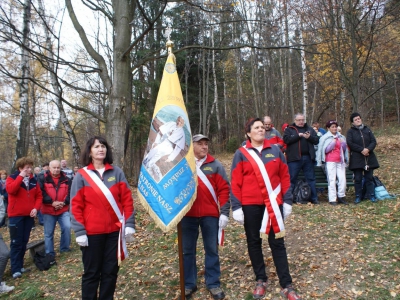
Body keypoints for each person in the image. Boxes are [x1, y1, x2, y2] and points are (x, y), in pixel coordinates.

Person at [231, 118, 301, 300]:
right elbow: (236, 182)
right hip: (250, 205)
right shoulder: (241, 154)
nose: (261, 130)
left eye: (262, 127)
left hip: (273, 205)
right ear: (248, 133)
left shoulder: (276, 151)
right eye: (257, 127)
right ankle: (260, 279)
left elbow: (285, 177)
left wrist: (287, 201)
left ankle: (286, 284)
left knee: (277, 243)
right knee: (254, 242)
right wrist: (237, 206)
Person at [71, 136, 135, 300]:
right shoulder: (81, 176)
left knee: (110, 271)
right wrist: (79, 231)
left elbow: (127, 200)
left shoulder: (117, 172)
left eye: (103, 146)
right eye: (96, 146)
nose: (101, 149)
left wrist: (129, 223)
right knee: (92, 273)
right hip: (91, 234)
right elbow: (75, 205)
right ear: (90, 151)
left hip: (114, 232)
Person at [181, 134, 230, 300]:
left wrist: (224, 212)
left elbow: (224, 189)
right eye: (200, 144)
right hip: (187, 215)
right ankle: (188, 283)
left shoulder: (215, 165)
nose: (204, 147)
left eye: (206, 144)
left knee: (211, 249)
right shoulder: (183, 165)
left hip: (210, 215)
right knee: (187, 251)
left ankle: (213, 283)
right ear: (192, 146)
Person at [6, 157, 42, 279]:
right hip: (15, 216)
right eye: (27, 167)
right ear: (20, 168)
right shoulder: (12, 178)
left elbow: (39, 196)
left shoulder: (33, 180)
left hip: (29, 216)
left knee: (24, 241)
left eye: (30, 167)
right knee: (16, 242)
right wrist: (20, 176)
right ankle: (15, 269)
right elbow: (11, 190)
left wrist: (36, 208)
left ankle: (20, 266)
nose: (29, 170)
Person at [283, 113, 320, 204]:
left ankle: (314, 198)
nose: (301, 122)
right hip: (294, 159)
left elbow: (316, 140)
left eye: (302, 120)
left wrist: (309, 137)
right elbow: (286, 140)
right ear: (295, 121)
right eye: (299, 120)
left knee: (311, 179)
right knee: (291, 179)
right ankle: (289, 199)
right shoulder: (289, 129)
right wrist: (297, 136)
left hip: (308, 158)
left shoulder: (309, 129)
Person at [39, 160, 72, 257]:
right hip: (48, 210)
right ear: (49, 168)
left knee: (67, 227)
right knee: (48, 233)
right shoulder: (42, 178)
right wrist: (52, 203)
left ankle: (65, 248)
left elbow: (70, 193)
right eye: (54, 167)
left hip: (63, 209)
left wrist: (64, 202)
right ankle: (49, 252)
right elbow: (41, 192)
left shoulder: (66, 179)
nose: (57, 169)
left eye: (58, 167)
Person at [346, 113, 379, 204]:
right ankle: (358, 196)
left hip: (369, 157)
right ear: (353, 122)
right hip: (357, 158)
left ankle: (371, 195)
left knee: (369, 178)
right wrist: (361, 150)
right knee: (358, 179)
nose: (358, 120)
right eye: (356, 119)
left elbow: (373, 141)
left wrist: (368, 149)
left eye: (359, 118)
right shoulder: (350, 132)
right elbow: (350, 143)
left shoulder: (367, 129)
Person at [316, 121, 349, 205]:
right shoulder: (325, 137)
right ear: (328, 128)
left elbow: (345, 150)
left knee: (342, 179)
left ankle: (341, 196)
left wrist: (343, 143)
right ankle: (332, 198)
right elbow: (323, 150)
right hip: (330, 161)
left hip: (340, 161)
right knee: (332, 180)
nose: (334, 128)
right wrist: (332, 143)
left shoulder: (341, 137)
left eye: (335, 127)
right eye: (332, 127)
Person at [143, 116, 186, 181]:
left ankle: (148, 166)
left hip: (169, 146)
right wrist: (156, 142)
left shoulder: (182, 133)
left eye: (181, 122)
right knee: (153, 150)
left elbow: (178, 148)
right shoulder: (172, 124)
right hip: (163, 141)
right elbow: (161, 132)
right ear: (177, 120)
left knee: (157, 153)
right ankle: (146, 162)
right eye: (178, 120)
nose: (179, 123)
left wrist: (171, 157)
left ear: (183, 124)